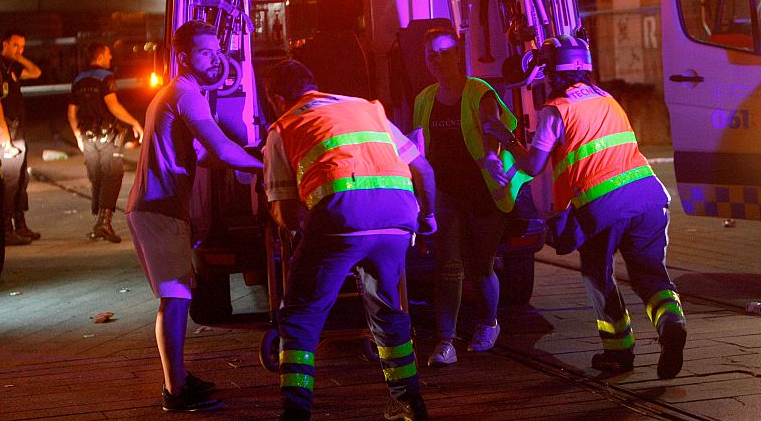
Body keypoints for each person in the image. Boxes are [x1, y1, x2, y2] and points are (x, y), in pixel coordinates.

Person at [484, 35, 687, 379]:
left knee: (597, 275)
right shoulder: (607, 99)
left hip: (602, 207)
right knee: (649, 273)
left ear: (550, 72)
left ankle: (619, 352)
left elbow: (533, 165)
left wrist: (506, 138)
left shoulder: (556, 110)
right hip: (649, 198)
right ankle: (672, 323)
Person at [263, 59, 436, 421]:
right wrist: (428, 216)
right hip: (397, 217)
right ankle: (410, 402)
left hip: (339, 218)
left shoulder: (283, 126)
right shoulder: (367, 109)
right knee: (388, 309)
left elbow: (284, 213)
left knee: (300, 316)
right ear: (313, 83)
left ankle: (295, 412)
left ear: (278, 98)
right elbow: (423, 170)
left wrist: (303, 239)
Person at [125, 20, 263, 412]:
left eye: (218, 49)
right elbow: (219, 150)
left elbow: (202, 156)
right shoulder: (186, 93)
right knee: (176, 298)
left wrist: (245, 155)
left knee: (177, 296)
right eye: (206, 52)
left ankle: (179, 377)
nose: (217, 57)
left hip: (159, 207)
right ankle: (175, 392)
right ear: (184, 57)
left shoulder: (178, 92)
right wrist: (262, 164)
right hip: (158, 208)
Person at [412, 27, 531, 367]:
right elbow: (417, 148)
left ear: (458, 53)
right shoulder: (424, 98)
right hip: (446, 194)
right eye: (431, 54)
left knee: (481, 266)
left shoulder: (479, 92)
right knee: (448, 266)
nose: (437, 60)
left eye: (444, 52)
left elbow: (493, 129)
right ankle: (445, 340)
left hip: (483, 192)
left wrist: (494, 155)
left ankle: (488, 322)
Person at [68, 42, 144, 243]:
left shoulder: (78, 79)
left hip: (88, 137)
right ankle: (104, 223)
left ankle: (98, 222)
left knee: (97, 178)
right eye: (109, 55)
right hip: (107, 137)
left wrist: (77, 137)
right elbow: (113, 106)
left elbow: (71, 113)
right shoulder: (105, 78)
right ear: (100, 56)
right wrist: (135, 122)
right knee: (112, 176)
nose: (110, 58)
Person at [0, 30, 42, 246]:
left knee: (22, 178)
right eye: (15, 46)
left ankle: (20, 224)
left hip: (18, 129)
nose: (19, 50)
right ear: (5, 44)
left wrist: (19, 57)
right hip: (8, 130)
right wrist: (3, 131)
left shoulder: (13, 67)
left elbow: (36, 72)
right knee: (10, 181)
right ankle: (6, 229)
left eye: (22, 46)